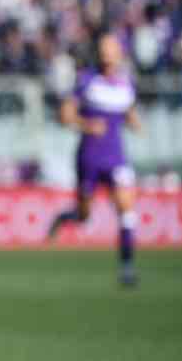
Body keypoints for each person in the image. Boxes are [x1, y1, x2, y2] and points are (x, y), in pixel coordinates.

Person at [47, 33, 142, 286]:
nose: (106, 53)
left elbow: (130, 113)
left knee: (126, 209)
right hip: (89, 157)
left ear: (119, 53)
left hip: (116, 157)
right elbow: (64, 115)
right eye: (103, 48)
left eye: (111, 48)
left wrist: (134, 123)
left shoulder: (127, 84)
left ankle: (127, 266)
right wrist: (86, 124)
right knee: (84, 215)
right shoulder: (86, 81)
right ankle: (65, 218)